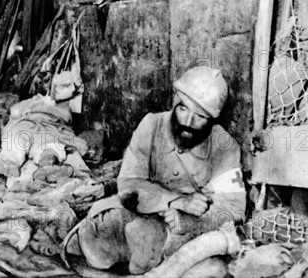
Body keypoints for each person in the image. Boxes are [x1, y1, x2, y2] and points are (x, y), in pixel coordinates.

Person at [63, 66, 246, 275]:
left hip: (184, 230)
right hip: (141, 210)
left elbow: (235, 208)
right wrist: (177, 201)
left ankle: (150, 254)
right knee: (101, 228)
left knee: (209, 265)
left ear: (213, 119)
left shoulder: (225, 146)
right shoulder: (151, 125)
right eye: (183, 109)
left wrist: (191, 222)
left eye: (200, 116)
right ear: (175, 101)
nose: (188, 122)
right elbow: (129, 184)